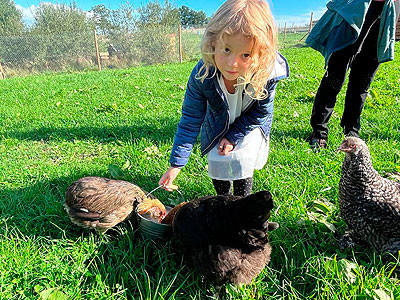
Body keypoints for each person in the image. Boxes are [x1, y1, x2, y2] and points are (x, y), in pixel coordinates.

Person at [158, 0, 289, 197]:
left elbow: (261, 113)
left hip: (249, 125)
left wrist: (234, 135)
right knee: (218, 160)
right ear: (213, 42)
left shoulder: (265, 75)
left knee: (242, 161)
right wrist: (176, 164)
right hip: (218, 123)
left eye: (246, 55)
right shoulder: (203, 75)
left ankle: (241, 202)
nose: (232, 63)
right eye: (226, 49)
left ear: (260, 55)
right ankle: (224, 200)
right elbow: (190, 119)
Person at [305, 0, 400, 149]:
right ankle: (319, 131)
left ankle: (351, 130)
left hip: (385, 15)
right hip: (355, 11)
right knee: (335, 78)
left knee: (362, 81)